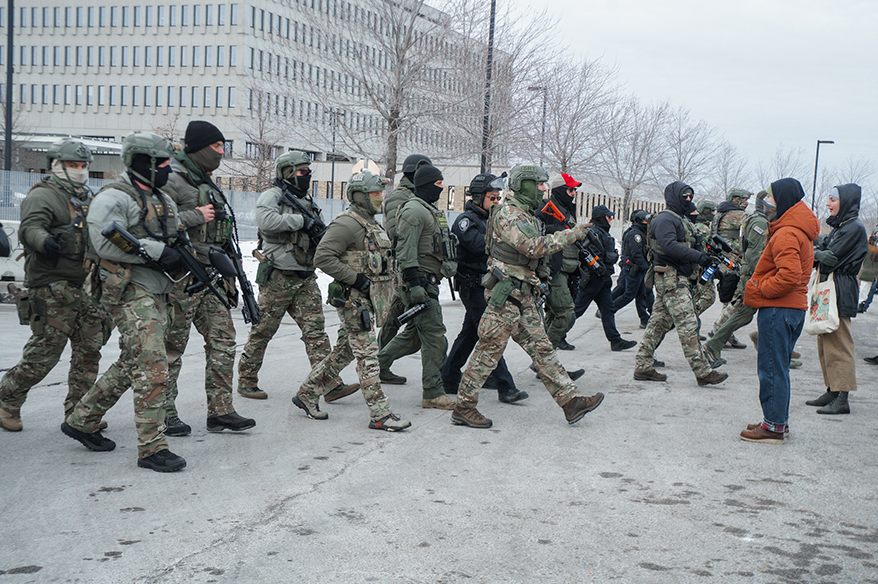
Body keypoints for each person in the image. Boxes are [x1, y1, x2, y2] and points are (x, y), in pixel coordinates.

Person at [62, 132, 187, 472]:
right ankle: (151, 447)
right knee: (152, 365)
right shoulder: (114, 197)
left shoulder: (162, 197)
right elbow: (105, 243)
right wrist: (163, 252)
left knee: (135, 361)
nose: (166, 169)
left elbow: (174, 233)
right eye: (162, 164)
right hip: (128, 289)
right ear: (143, 163)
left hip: (157, 287)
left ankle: (82, 419)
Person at [451, 163, 605, 429]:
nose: (544, 190)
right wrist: (573, 234)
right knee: (488, 352)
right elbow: (534, 247)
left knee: (543, 350)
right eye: (541, 185)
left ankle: (570, 402)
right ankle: (463, 407)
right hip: (507, 295)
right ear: (525, 185)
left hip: (522, 295)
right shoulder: (510, 214)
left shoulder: (523, 214)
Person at [0, 140, 111, 433]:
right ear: (56, 165)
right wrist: (45, 241)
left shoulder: (86, 197)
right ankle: (6, 400)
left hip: (84, 287)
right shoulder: (44, 196)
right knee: (44, 354)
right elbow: (30, 228)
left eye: (84, 166)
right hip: (50, 286)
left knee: (89, 351)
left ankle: (79, 413)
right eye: (73, 165)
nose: (80, 171)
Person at [293, 170, 411, 431]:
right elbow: (322, 257)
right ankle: (380, 414)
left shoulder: (370, 223)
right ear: (359, 196)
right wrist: (356, 280)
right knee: (368, 357)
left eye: (381, 193)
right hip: (353, 302)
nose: (380, 198)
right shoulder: (346, 224)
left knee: (343, 353)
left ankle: (306, 393)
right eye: (375, 194)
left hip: (369, 301)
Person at [237, 151, 356, 401]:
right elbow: (266, 220)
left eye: (308, 171)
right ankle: (247, 380)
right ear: (287, 173)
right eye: (302, 172)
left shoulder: (307, 200)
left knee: (316, 333)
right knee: (263, 331)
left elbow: (319, 232)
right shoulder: (273, 197)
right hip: (278, 276)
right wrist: (300, 220)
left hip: (305, 277)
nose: (307, 175)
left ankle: (329, 383)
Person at [162, 120, 255, 435]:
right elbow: (155, 220)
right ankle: (164, 413)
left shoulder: (206, 181)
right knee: (172, 347)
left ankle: (220, 411)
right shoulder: (173, 179)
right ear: (199, 148)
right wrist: (195, 216)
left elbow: (220, 227)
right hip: (182, 277)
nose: (220, 153)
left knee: (223, 341)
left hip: (212, 275)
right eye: (216, 147)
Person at [740, 178, 819, 443]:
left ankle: (773, 427)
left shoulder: (786, 232)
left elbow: (788, 276)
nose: (767, 204)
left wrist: (759, 288)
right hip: (790, 309)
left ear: (783, 200)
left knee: (771, 369)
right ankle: (775, 421)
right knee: (779, 367)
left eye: (772, 198)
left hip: (779, 309)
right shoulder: (795, 229)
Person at [441, 173, 527, 403]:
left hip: (488, 285)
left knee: (470, 334)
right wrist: (505, 238)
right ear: (479, 198)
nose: (496, 202)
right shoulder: (466, 220)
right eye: (492, 197)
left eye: (498, 197)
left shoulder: (491, 219)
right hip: (473, 285)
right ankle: (505, 386)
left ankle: (449, 376)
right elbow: (480, 245)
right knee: (492, 335)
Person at [377, 163, 457, 410]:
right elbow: (405, 251)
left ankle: (374, 366)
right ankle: (433, 393)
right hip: (419, 283)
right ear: (425, 185)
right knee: (435, 339)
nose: (441, 188)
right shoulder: (414, 211)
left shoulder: (429, 210)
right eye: (438, 184)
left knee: (413, 338)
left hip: (428, 282)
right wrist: (414, 285)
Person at [633, 181, 727, 385]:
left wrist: (709, 264)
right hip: (671, 279)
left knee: (658, 324)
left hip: (677, 278)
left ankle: (643, 366)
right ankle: (703, 371)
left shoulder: (679, 220)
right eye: (684, 196)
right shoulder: (666, 219)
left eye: (690, 196)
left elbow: (689, 246)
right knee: (688, 324)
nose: (688, 200)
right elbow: (669, 246)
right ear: (674, 197)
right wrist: (700, 258)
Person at [805, 184, 868, 415]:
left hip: (840, 289)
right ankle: (832, 389)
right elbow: (821, 251)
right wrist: (818, 252)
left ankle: (842, 397)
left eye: (832, 199)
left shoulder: (853, 228)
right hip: (828, 288)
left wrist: (814, 252)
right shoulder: (839, 227)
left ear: (846, 202)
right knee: (825, 342)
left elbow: (828, 257)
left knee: (839, 344)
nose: (828, 203)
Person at [376, 153, 432, 385]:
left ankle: (380, 365)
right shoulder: (400, 198)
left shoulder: (417, 195)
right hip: (404, 268)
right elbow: (397, 234)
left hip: (412, 266)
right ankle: (380, 364)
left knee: (395, 318)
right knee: (396, 320)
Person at [572, 205, 637, 352]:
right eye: (609, 217)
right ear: (602, 218)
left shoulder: (602, 233)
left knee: (608, 310)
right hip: (594, 280)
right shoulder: (593, 233)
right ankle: (557, 336)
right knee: (577, 310)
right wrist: (602, 273)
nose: (611, 219)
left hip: (603, 280)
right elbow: (591, 257)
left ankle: (615, 341)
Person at [535, 172, 583, 350]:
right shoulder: (545, 208)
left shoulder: (568, 210)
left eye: (575, 190)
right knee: (565, 314)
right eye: (571, 190)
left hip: (569, 268)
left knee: (554, 315)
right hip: (554, 269)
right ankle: (543, 357)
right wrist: (559, 230)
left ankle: (545, 363)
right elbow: (535, 233)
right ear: (561, 190)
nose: (573, 193)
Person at [709, 189, 751, 349]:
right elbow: (754, 223)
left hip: (725, 260)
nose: (747, 203)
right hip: (731, 261)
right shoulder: (735, 214)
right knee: (733, 299)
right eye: (745, 199)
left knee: (729, 298)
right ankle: (719, 331)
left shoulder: (722, 212)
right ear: (735, 199)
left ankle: (727, 334)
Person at [612, 209, 653, 329]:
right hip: (633, 269)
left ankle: (644, 319)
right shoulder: (635, 235)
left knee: (642, 295)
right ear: (640, 221)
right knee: (629, 294)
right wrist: (646, 268)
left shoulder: (641, 233)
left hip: (639, 269)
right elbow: (636, 254)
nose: (647, 223)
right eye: (646, 220)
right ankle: (608, 310)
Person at [690, 200, 718, 321]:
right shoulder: (703, 228)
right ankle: (688, 320)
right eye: (712, 211)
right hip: (702, 268)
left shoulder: (698, 225)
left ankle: (692, 326)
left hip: (698, 267)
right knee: (708, 297)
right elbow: (703, 251)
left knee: (695, 297)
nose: (713, 214)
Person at [856, 226, 878, 313]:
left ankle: (863, 304)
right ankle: (861, 304)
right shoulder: (869, 242)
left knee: (868, 289)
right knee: (864, 289)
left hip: (872, 270)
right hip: (868, 270)